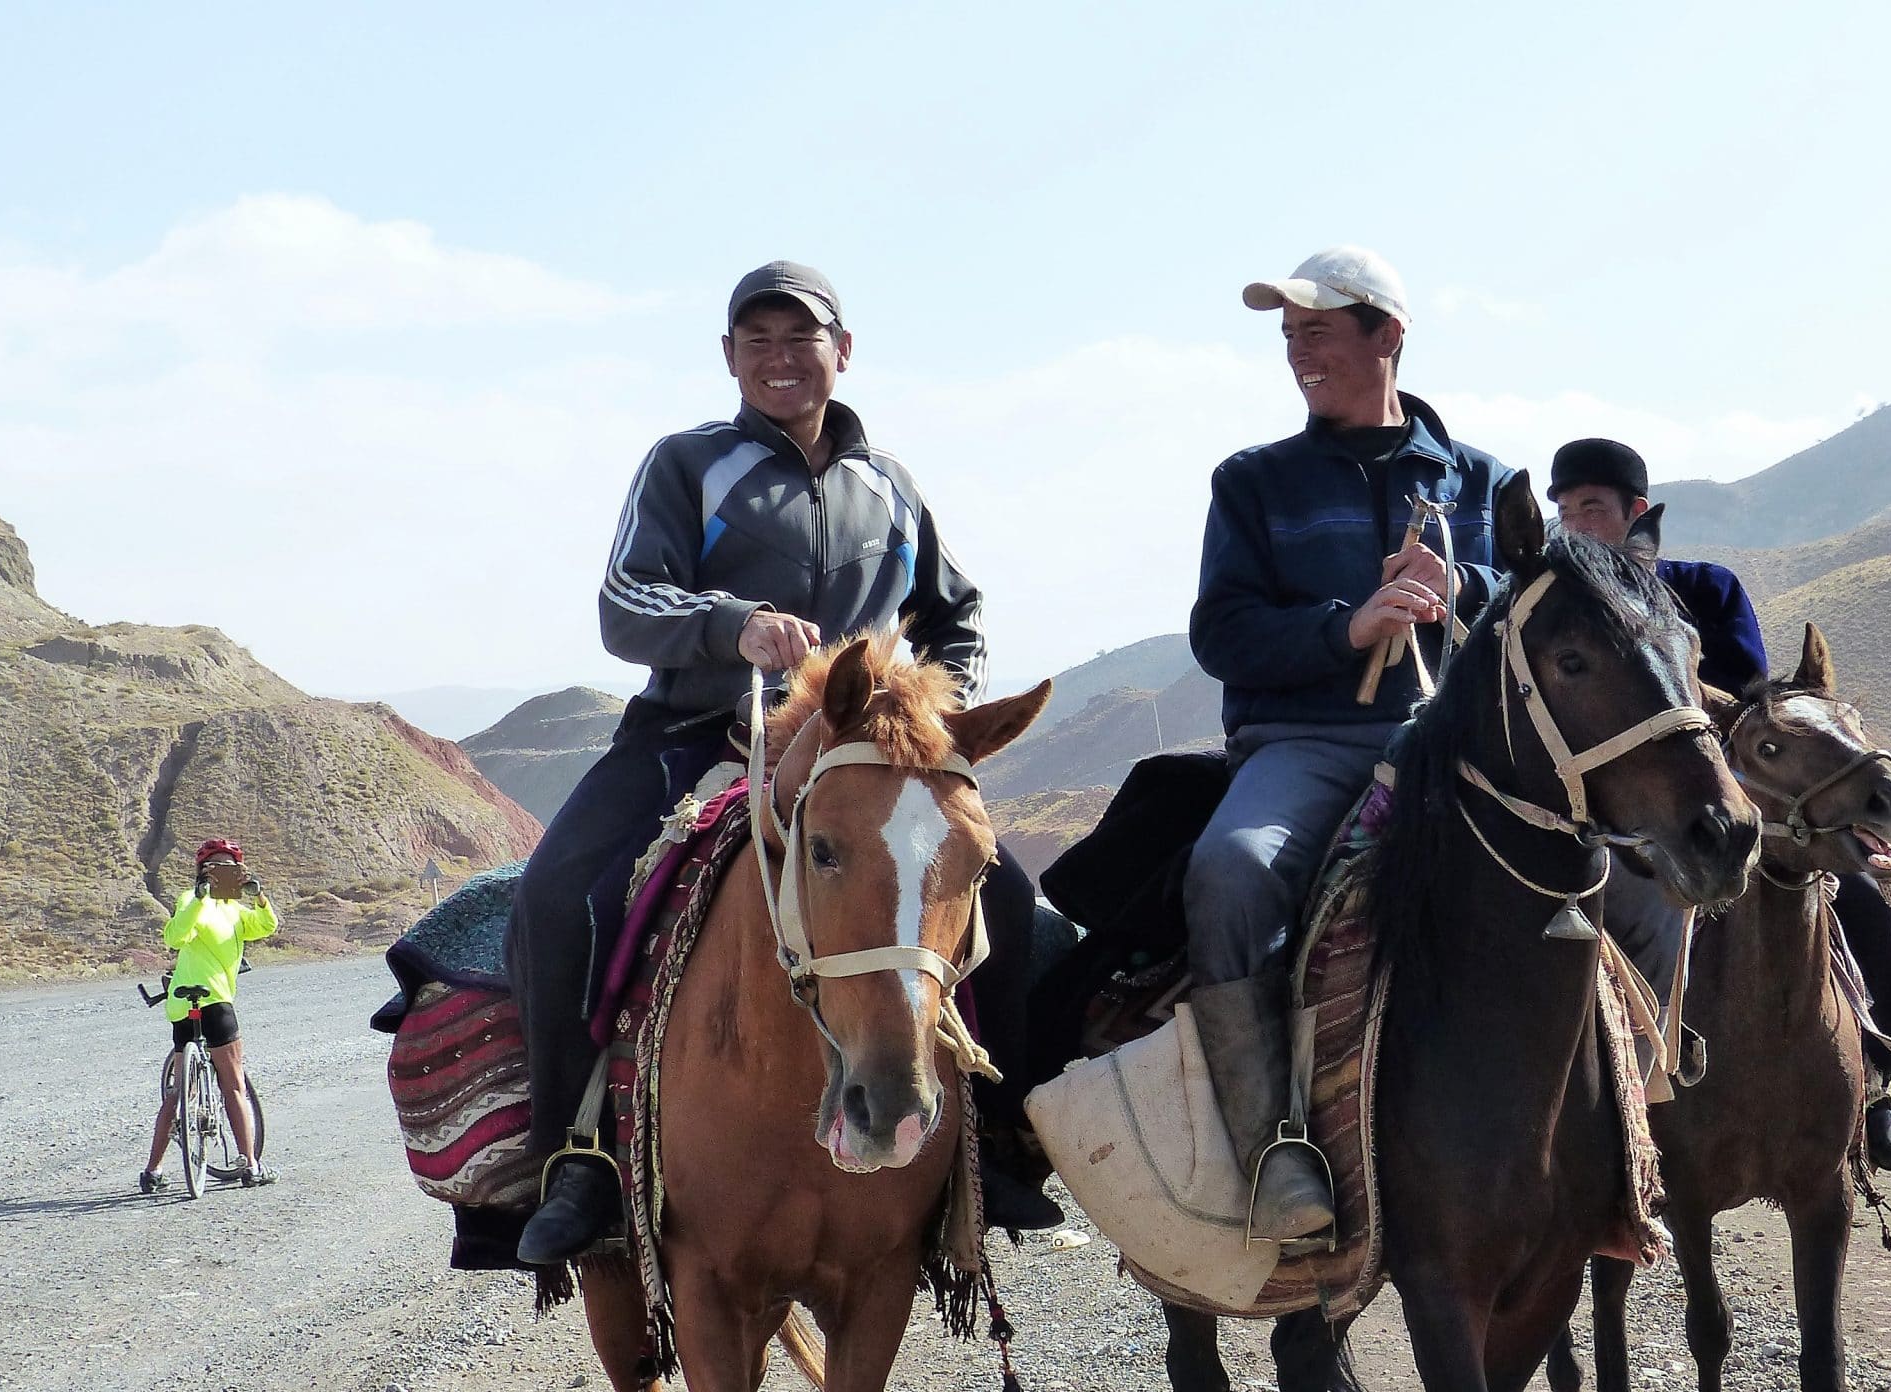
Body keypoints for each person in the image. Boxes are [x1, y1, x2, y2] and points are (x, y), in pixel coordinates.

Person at [509, 259, 1052, 1266]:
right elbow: (626, 601)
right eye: (754, 341)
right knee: (556, 895)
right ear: (728, 359)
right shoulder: (686, 464)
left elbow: (954, 612)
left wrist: (934, 712)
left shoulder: (887, 484)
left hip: (857, 759)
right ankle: (575, 1155)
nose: (778, 358)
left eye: (800, 339)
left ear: (841, 353)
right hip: (692, 736)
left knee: (1008, 898)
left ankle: (999, 1136)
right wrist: (735, 626)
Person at [1183, 248, 1693, 1248]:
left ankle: (1623, 1129)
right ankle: (1272, 1146)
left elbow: (1542, 624)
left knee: (1648, 887)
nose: (1299, 352)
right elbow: (1221, 633)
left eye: (1319, 330)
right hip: (1308, 742)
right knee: (1228, 872)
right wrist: (1349, 627)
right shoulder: (1253, 484)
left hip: (1455, 751)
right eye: (1289, 335)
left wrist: (1461, 591)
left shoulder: (1486, 484)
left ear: (1388, 337)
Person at [1549, 437, 1891, 1170]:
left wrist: (1689, 709)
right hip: (1594, 801)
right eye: (1566, 510)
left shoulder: (1704, 587)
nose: (1577, 524)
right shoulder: (1550, 607)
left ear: (1636, 514)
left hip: (1713, 791)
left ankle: (1874, 1087)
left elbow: (1755, 704)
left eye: (1594, 508)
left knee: (1863, 896)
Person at [141, 838, 276, 1191]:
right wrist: (201, 899)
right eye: (215, 868)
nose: (220, 874)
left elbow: (266, 925)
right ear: (203, 874)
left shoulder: (234, 909)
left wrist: (258, 896)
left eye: (227, 869)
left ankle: (152, 1172)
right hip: (215, 1001)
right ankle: (251, 1165)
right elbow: (176, 936)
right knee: (232, 1085)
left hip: (181, 1001)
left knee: (177, 1091)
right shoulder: (193, 901)